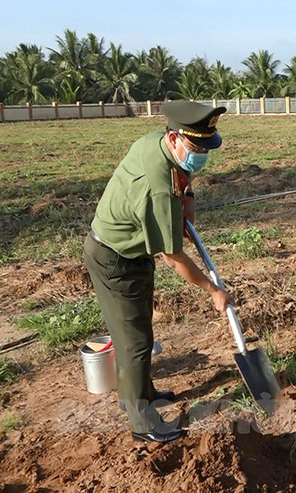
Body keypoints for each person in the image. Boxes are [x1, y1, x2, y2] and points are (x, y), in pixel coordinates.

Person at [84, 100, 233, 444]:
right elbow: (173, 255)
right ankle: (142, 422)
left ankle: (143, 393)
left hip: (133, 252)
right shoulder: (159, 188)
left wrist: (189, 185)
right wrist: (214, 290)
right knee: (133, 341)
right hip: (114, 257)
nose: (200, 155)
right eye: (194, 148)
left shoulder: (157, 143)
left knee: (141, 329)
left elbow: (185, 217)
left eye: (204, 148)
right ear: (175, 138)